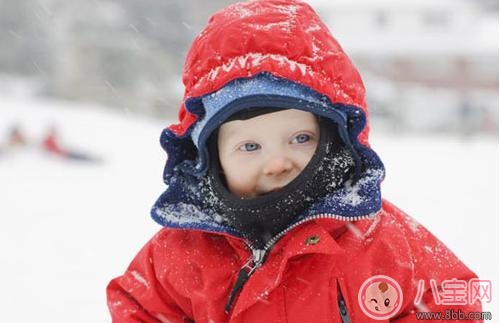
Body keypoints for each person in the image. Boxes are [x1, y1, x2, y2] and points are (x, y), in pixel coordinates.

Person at [107, 1, 483, 322]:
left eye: (299, 139)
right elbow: (140, 306)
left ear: (332, 138)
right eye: (250, 147)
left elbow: (456, 304)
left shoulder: (376, 239)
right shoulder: (185, 250)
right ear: (209, 156)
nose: (277, 163)